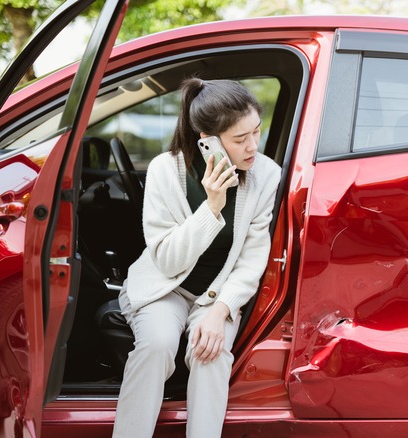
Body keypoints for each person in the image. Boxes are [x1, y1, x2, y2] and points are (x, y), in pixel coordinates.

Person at [113, 78, 281, 437]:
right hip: (165, 287)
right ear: (208, 138)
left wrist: (220, 313)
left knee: (211, 354)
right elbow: (168, 260)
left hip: (217, 294)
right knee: (156, 345)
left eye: (256, 132)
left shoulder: (267, 175)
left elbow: (252, 259)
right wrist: (212, 206)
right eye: (240, 139)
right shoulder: (164, 170)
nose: (253, 146)